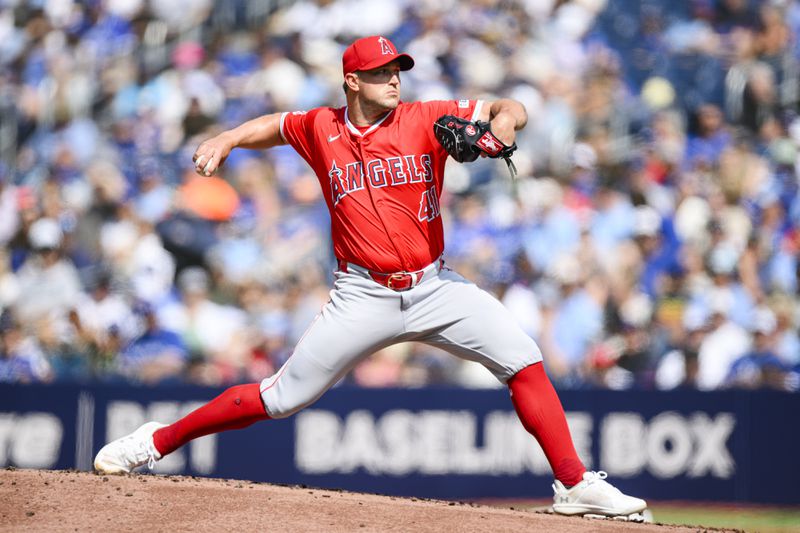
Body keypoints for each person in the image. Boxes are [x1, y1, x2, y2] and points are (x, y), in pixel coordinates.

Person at [94, 35, 647, 520]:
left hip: (435, 287)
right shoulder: (321, 127)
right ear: (352, 82)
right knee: (281, 398)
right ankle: (152, 443)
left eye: (398, 71)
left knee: (523, 359)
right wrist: (229, 138)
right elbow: (275, 126)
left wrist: (500, 126)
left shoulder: (426, 116)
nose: (394, 81)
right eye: (383, 73)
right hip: (362, 293)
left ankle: (574, 484)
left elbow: (512, 104)